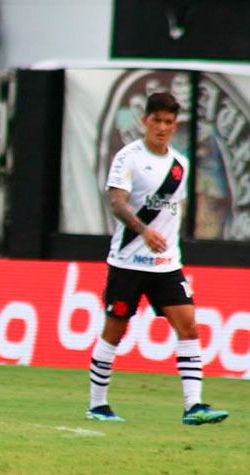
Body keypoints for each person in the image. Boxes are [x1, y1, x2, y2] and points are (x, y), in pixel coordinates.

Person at [86, 92, 229, 425]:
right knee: (114, 332)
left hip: (167, 265)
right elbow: (117, 204)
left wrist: (165, 241)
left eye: (168, 122)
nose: (162, 128)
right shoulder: (128, 158)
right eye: (156, 121)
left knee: (189, 325)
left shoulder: (180, 165)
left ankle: (194, 406)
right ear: (144, 121)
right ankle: (97, 405)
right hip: (128, 263)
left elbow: (173, 209)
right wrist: (143, 230)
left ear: (174, 125)